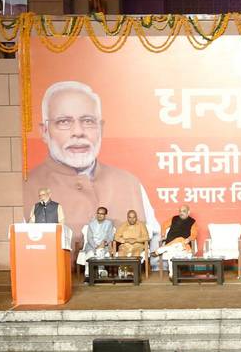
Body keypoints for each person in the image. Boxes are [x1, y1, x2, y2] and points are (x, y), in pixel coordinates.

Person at [24, 81, 158, 242]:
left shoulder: (129, 183)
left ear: (101, 128)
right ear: (45, 131)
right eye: (64, 122)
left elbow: (154, 244)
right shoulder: (27, 188)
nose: (78, 132)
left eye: (88, 121)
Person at [154, 205, 198, 278]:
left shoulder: (192, 222)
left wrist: (189, 239)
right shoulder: (174, 218)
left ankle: (171, 273)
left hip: (183, 245)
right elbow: (164, 225)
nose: (181, 213)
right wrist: (163, 235)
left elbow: (194, 234)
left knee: (179, 242)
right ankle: (172, 274)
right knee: (172, 251)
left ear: (188, 212)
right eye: (180, 211)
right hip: (171, 243)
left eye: (184, 211)